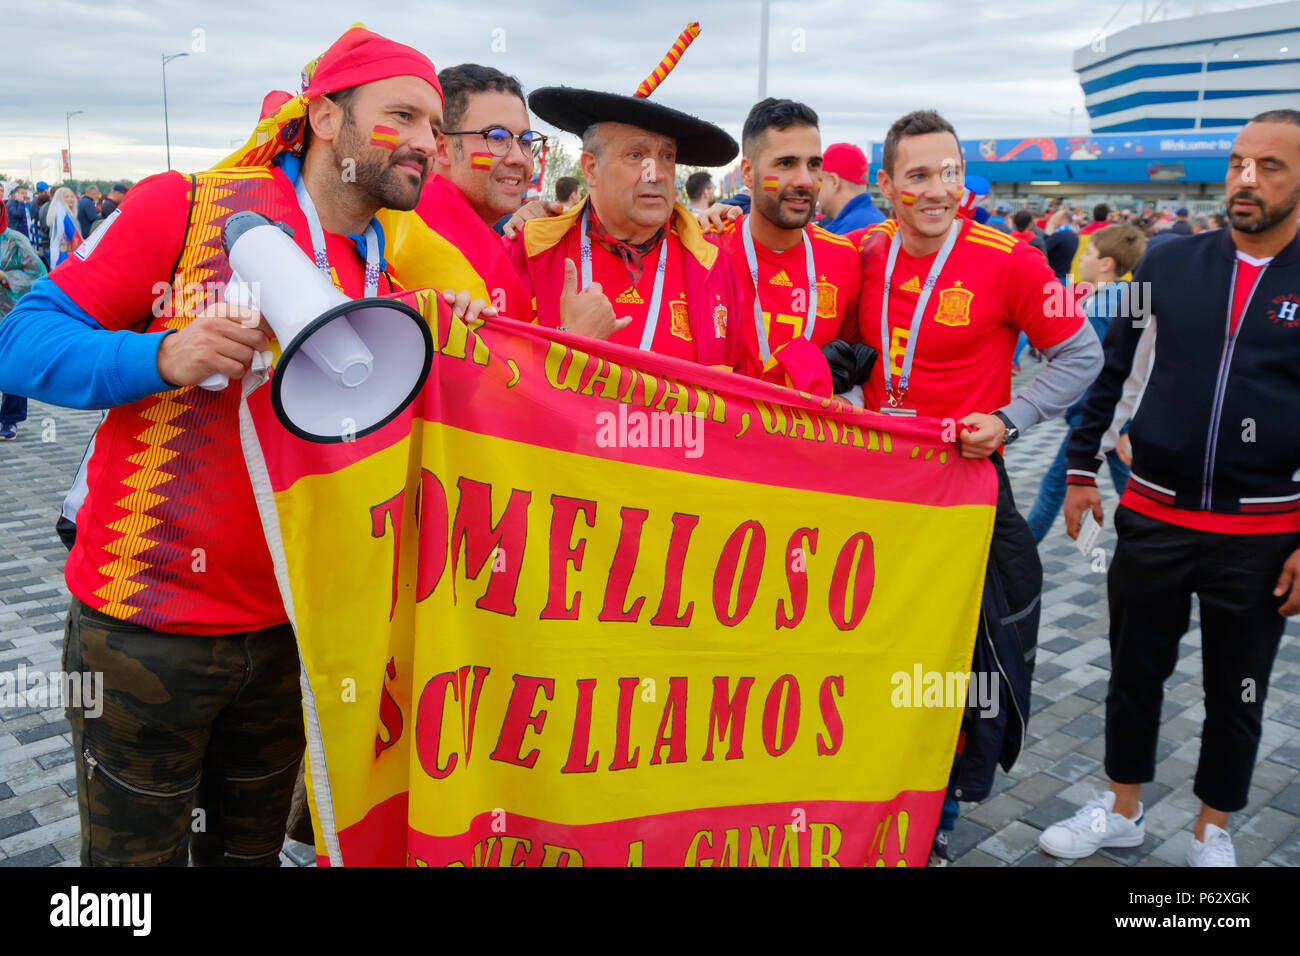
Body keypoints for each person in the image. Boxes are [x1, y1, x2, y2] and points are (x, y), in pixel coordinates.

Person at [0, 25, 445, 866]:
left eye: (434, 126)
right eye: (403, 115)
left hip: (289, 634)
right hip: (146, 626)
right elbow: (19, 342)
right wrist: (159, 354)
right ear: (324, 116)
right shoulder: (187, 205)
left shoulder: (391, 260)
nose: (426, 141)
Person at [1039, 109, 1300, 867]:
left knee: (1238, 689)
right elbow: (1109, 369)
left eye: (1270, 167)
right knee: (1134, 671)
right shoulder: (1167, 264)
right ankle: (1121, 808)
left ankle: (1211, 828)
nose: (1246, 180)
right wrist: (1081, 470)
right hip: (1153, 510)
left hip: (1260, 532)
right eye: (1237, 163)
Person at [844, 109, 1103, 865]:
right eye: (919, 175)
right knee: (869, 643)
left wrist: (1009, 419)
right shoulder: (862, 254)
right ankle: (861, 782)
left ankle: (943, 802)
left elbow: (1080, 355)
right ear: (885, 185)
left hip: (964, 491)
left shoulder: (1013, 259)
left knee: (956, 659)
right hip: (873, 490)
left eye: (949, 172)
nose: (938, 190)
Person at [505, 59, 746, 367]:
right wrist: (570, 341)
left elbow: (740, 396)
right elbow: (490, 383)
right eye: (636, 155)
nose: (655, 173)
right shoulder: (529, 251)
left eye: (667, 156)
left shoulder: (713, 263)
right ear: (591, 168)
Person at [704, 98, 862, 395]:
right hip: (722, 436)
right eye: (786, 163)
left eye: (814, 164)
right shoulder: (707, 247)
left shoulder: (844, 256)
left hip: (805, 438)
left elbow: (854, 369)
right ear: (748, 173)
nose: (804, 180)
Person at [379, 63, 537, 318]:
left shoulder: (504, 234)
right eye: (496, 137)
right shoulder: (413, 229)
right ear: (442, 148)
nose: (519, 158)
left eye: (527, 141)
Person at [1023, 224, 1145, 542]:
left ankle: (1012, 561)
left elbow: (1102, 370)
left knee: (1053, 489)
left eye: (1088, 254)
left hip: (1094, 419)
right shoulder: (1128, 297)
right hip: (1112, 418)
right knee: (1132, 492)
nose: (1081, 260)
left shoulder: (1101, 308)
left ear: (1106, 263)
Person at [0, 202, 47, 439]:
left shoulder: (15, 241)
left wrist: (5, 276)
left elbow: (38, 275)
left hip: (9, 312)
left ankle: (10, 420)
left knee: (12, 363)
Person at [817, 142, 885, 233]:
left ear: (834, 182)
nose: (816, 190)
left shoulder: (846, 234)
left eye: (819, 182)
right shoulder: (877, 221)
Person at [46, 186, 81, 267]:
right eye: (67, 197)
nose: (71, 199)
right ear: (60, 199)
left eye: (72, 197)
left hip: (62, 254)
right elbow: (74, 237)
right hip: (64, 256)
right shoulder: (63, 216)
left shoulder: (62, 214)